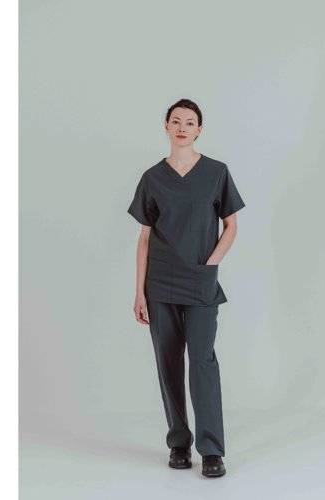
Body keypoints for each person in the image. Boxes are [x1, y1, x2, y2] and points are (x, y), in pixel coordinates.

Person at [127, 98, 246, 478]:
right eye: (176, 121)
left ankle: (211, 450)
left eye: (189, 122)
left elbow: (231, 225)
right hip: (160, 282)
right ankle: (178, 443)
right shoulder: (152, 178)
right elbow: (144, 237)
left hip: (200, 280)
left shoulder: (216, 172)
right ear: (166, 126)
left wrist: (210, 264)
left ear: (199, 130)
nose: (182, 127)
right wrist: (139, 291)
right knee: (168, 362)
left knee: (202, 361)